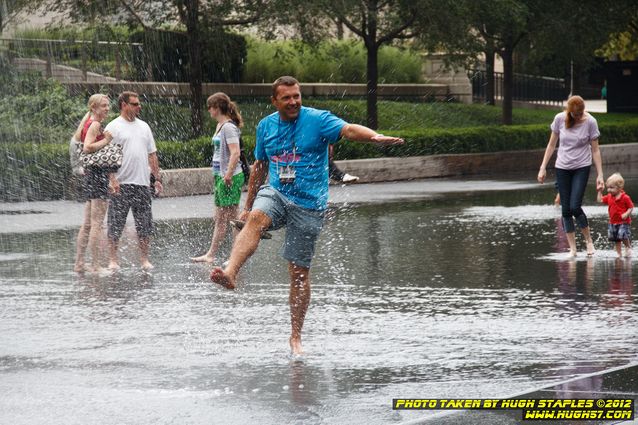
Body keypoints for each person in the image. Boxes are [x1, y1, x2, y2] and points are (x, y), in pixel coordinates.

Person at [210, 76, 404, 355]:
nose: (293, 102)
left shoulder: (318, 119)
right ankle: (230, 273)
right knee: (255, 219)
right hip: (276, 192)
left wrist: (373, 136)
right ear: (274, 101)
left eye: (296, 96)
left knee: (298, 274)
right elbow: (260, 166)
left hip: (310, 203)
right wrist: (249, 203)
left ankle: (295, 337)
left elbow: (348, 130)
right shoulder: (266, 126)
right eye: (286, 98)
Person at [538, 95, 604, 257]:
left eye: (580, 114)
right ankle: (573, 249)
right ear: (569, 111)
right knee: (566, 210)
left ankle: (589, 241)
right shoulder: (560, 119)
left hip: (581, 167)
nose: (579, 117)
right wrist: (543, 167)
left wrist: (600, 174)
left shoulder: (590, 122)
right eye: (576, 115)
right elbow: (552, 144)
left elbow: (595, 150)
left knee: (575, 206)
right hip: (562, 168)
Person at [105, 91, 163, 270]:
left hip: (142, 183)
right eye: (135, 104)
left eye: (139, 103)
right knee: (116, 223)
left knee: (144, 223)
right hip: (121, 183)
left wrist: (157, 179)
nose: (139, 106)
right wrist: (112, 178)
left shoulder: (144, 127)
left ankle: (144, 259)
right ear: (124, 105)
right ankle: (113, 259)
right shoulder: (113, 127)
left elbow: (152, 154)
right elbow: (107, 156)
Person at [192, 92, 245, 263]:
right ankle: (211, 254)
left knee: (232, 218)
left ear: (216, 108)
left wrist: (228, 174)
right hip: (221, 176)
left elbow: (235, 152)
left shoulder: (228, 127)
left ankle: (235, 256)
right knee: (221, 218)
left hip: (229, 177)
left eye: (210, 107)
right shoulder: (220, 126)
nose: (208, 111)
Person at [73, 94, 113, 273]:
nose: (107, 109)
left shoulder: (87, 123)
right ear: (93, 108)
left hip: (90, 175)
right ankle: (96, 266)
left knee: (88, 223)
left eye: (107, 105)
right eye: (103, 106)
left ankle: (79, 263)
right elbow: (88, 146)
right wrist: (106, 140)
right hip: (97, 175)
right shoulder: (95, 124)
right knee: (97, 223)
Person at [597, 173, 634, 257]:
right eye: (608, 187)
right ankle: (619, 253)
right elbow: (600, 200)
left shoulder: (625, 197)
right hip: (613, 222)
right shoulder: (609, 196)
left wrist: (626, 214)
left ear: (620, 187)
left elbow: (631, 207)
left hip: (624, 221)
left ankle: (628, 247)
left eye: (611, 187)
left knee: (623, 235)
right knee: (616, 238)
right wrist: (599, 191)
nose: (609, 190)